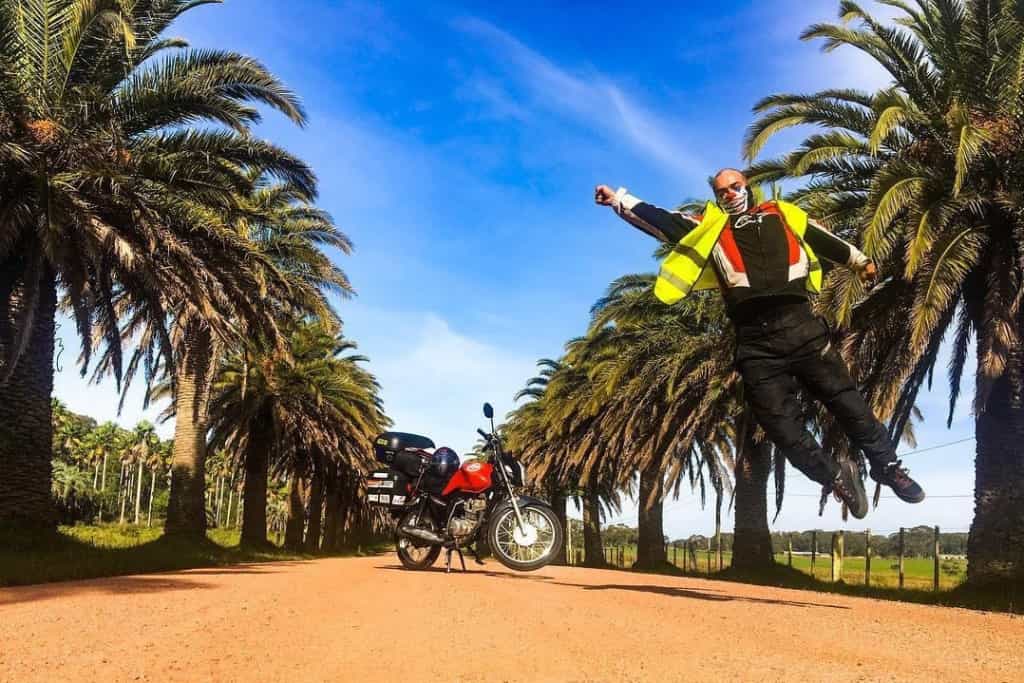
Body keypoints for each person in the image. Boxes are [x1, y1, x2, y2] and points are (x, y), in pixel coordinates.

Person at [594, 170, 925, 518]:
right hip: (754, 344)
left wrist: (860, 262)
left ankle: (888, 467)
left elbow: (821, 237)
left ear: (747, 186)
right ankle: (836, 477)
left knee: (848, 403)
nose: (730, 194)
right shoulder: (711, 230)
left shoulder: (782, 214)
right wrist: (619, 200)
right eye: (722, 191)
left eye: (735, 186)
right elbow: (662, 221)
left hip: (801, 327)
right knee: (782, 428)